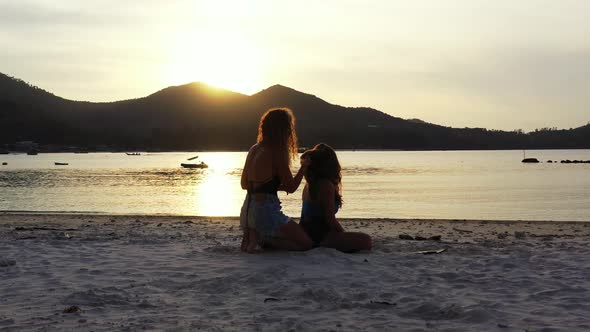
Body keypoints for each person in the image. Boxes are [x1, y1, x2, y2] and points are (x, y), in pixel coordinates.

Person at [240, 108, 313, 253]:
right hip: (265, 212)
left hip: (247, 212)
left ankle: (257, 238)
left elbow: (244, 184)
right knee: (306, 244)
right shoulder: (277, 150)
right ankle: (265, 241)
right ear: (284, 129)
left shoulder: (254, 149)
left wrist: (273, 186)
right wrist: (304, 167)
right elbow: (291, 187)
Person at [299, 143, 372, 252]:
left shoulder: (310, 183)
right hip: (319, 235)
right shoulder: (325, 185)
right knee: (366, 241)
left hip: (307, 230)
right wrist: (342, 233)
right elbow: (330, 219)